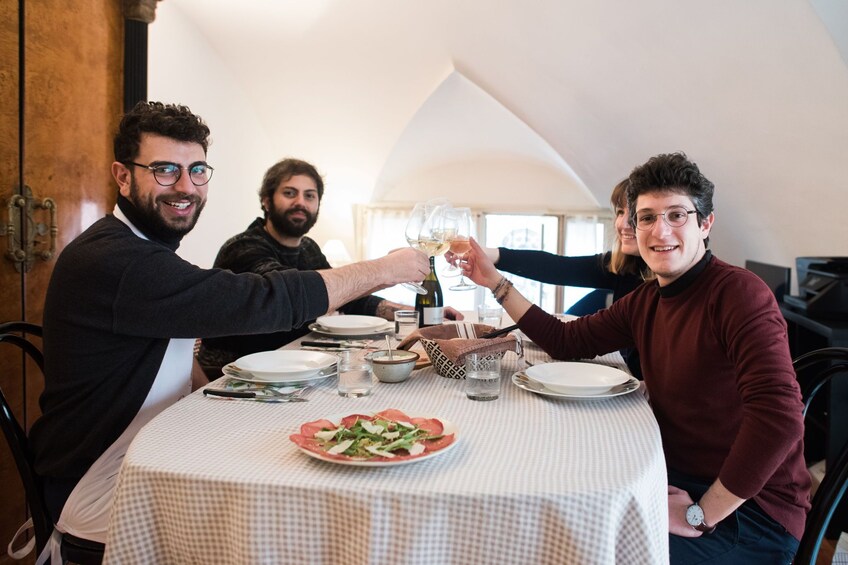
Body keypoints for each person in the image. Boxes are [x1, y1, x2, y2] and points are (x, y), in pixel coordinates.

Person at [27, 102, 430, 548]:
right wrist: (386, 268)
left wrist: (215, 396)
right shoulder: (115, 260)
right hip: (98, 481)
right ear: (123, 176)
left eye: (197, 170)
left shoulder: (146, 252)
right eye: (165, 170)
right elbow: (260, 299)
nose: (185, 186)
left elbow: (172, 354)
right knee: (302, 511)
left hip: (151, 443)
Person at [460, 152, 810, 563]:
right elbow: (566, 341)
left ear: (706, 223)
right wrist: (495, 282)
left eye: (676, 215)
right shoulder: (647, 299)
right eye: (646, 217)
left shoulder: (739, 295)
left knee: (594, 552)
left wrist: (701, 514)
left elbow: (780, 417)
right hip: (672, 475)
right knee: (554, 512)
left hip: (750, 514)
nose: (660, 231)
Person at [197, 158, 463, 376]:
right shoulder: (244, 248)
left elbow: (349, 298)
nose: (300, 202)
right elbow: (292, 293)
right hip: (235, 373)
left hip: (295, 364)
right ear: (266, 201)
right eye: (290, 193)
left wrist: (411, 313)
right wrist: (384, 269)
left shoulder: (308, 247)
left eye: (309, 196)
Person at [446, 179, 649, 378]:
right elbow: (557, 267)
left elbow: (563, 341)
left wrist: (495, 281)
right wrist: (488, 255)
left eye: (637, 215)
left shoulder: (650, 293)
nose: (622, 224)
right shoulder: (627, 267)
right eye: (620, 212)